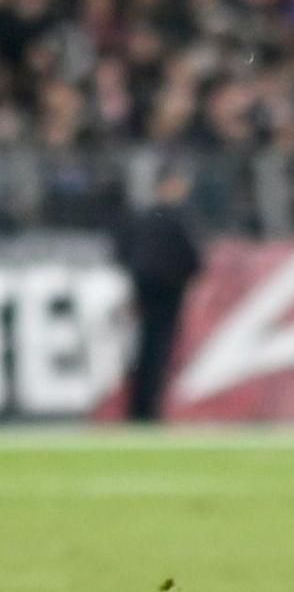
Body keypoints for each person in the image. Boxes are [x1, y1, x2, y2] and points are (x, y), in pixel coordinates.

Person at [110, 163, 203, 422]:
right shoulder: (178, 219)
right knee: (160, 351)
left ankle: (137, 408)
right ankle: (150, 410)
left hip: (143, 290)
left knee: (142, 351)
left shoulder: (140, 216)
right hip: (169, 293)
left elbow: (122, 252)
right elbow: (194, 259)